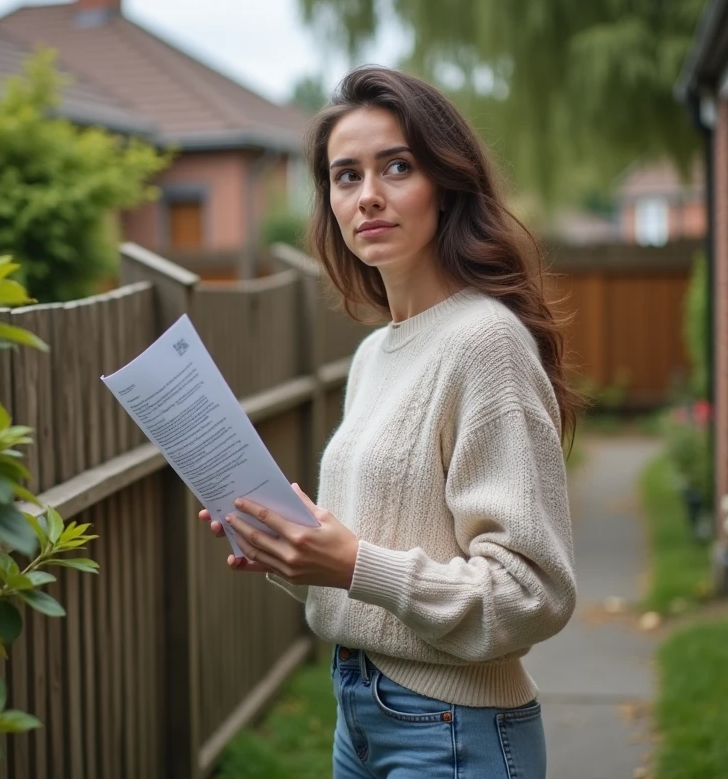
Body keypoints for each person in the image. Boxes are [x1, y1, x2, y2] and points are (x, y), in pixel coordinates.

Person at [197, 65, 579, 779]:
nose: (367, 195)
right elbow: (379, 563)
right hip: (361, 713)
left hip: (454, 732)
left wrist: (351, 563)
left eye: (396, 167)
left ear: (447, 183)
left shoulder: (485, 344)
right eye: (346, 176)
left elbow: (533, 593)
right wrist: (296, 551)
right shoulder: (375, 354)